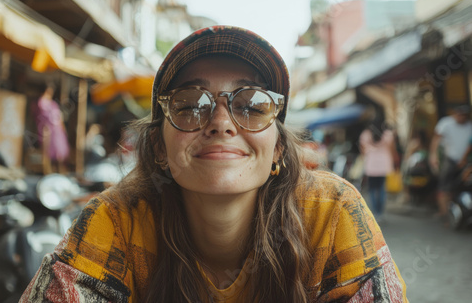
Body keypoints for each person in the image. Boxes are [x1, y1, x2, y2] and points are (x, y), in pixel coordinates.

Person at [21, 26, 407, 302]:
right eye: (190, 106)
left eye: (252, 106)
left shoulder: (330, 213)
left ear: (277, 150)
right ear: (158, 148)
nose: (221, 123)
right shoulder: (118, 220)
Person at [429, 105, 472, 220]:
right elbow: (436, 139)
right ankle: (444, 213)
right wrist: (433, 156)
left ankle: (459, 213)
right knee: (444, 186)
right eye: (459, 114)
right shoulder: (446, 123)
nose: (461, 117)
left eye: (464, 115)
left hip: (465, 163)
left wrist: (464, 159)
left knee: (460, 186)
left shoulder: (469, 125)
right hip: (450, 159)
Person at [359, 118, 398, 223]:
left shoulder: (366, 134)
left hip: (371, 164)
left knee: (372, 189)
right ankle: (381, 213)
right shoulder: (387, 134)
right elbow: (392, 149)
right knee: (381, 188)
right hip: (384, 164)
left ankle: (374, 213)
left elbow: (363, 150)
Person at [35, 83, 70, 174]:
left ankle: (59, 171)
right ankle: (48, 171)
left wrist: (63, 129)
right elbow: (43, 119)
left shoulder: (52, 103)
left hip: (57, 132)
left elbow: (59, 119)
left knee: (59, 153)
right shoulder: (42, 102)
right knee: (48, 153)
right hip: (48, 132)